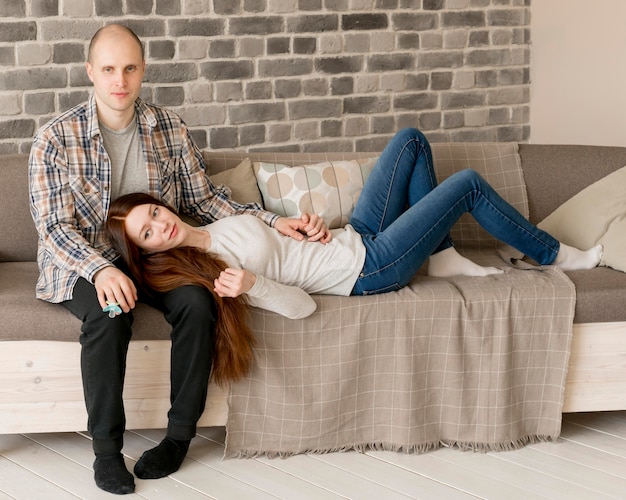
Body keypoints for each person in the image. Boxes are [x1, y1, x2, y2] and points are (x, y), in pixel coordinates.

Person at [28, 24, 330, 495]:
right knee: (110, 317)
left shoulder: (169, 128)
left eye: (129, 68)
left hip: (154, 259)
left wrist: (273, 222)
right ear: (90, 72)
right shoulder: (55, 139)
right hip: (85, 263)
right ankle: (106, 451)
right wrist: (101, 269)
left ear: (143, 69)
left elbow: (207, 200)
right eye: (108, 69)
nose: (119, 81)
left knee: (197, 299)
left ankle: (177, 437)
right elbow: (53, 230)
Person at [105, 127, 603, 321]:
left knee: (411, 141)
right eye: (146, 234)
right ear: (147, 252)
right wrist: (254, 285)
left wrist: (298, 227)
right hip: (368, 270)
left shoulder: (217, 219)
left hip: (355, 238)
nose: (158, 225)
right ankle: (554, 254)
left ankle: (442, 256)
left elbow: (277, 239)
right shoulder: (211, 271)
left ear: (161, 204)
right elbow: (300, 307)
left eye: (152, 212)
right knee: (469, 183)